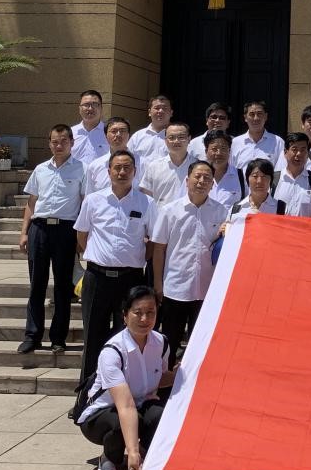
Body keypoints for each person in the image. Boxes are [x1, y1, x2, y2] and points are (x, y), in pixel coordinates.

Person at [77, 285, 174, 470]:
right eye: (138, 313)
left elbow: (160, 377)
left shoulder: (161, 343)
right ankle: (110, 457)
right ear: (125, 315)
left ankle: (149, 451)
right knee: (122, 423)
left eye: (150, 312)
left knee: (162, 415)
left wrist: (184, 374)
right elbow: (125, 405)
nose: (145, 319)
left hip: (139, 404)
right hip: (102, 413)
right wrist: (132, 451)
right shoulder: (112, 352)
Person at [75, 150, 154, 380]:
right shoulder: (93, 200)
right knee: (93, 336)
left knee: (126, 337)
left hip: (130, 279)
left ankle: (124, 389)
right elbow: (82, 235)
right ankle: (89, 391)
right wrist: (99, 256)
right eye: (117, 168)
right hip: (97, 278)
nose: (122, 172)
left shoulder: (146, 203)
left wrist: (133, 258)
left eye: (127, 168)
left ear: (135, 171)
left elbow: (153, 241)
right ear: (109, 171)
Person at [17, 124, 86, 355]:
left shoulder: (81, 169)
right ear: (49, 144)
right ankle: (32, 336)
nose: (59, 145)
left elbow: (85, 203)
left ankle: (58, 338)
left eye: (64, 141)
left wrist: (81, 237)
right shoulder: (40, 169)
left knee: (63, 287)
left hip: (66, 230)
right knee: (36, 284)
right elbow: (31, 203)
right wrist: (24, 232)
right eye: (55, 142)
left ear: (72, 143)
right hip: (39, 229)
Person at [150, 159, 226, 367]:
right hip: (176, 288)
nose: (201, 181)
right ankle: (165, 383)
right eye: (197, 176)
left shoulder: (221, 212)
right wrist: (158, 284)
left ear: (212, 184)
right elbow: (159, 249)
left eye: (207, 178)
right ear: (187, 180)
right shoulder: (170, 210)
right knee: (170, 343)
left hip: (207, 290)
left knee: (200, 345)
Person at [230, 157, 311, 222]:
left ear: (271, 180)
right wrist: (226, 229)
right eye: (255, 176)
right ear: (247, 179)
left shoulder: (282, 209)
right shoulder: (236, 209)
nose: (259, 181)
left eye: (264, 176)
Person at [275, 132, 311, 217]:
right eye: (294, 149)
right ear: (285, 152)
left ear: (308, 154)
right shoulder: (274, 179)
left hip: (305, 226)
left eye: (303, 150)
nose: (299, 154)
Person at [138, 120, 193, 204]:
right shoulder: (154, 166)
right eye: (171, 137)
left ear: (189, 139)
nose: (176, 141)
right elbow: (145, 196)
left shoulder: (198, 166)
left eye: (181, 137)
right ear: (165, 141)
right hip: (160, 212)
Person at [84, 118, 140, 193]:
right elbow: (89, 196)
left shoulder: (141, 163)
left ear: (128, 135)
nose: (118, 134)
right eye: (113, 131)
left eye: (122, 131)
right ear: (105, 135)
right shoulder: (95, 166)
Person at [231, 99, 285, 172]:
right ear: (245, 118)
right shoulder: (235, 142)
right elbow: (230, 170)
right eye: (252, 114)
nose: (256, 118)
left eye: (259, 114)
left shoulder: (277, 142)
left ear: (265, 116)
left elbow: (280, 171)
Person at [203, 130, 245, 208]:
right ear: (206, 151)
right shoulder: (196, 176)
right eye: (214, 149)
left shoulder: (241, 176)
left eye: (223, 148)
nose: (219, 153)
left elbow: (250, 203)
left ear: (229, 151)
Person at [128, 95, 173, 165]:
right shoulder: (137, 137)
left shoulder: (178, 138)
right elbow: (127, 160)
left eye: (165, 108)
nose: (160, 111)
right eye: (157, 108)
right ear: (149, 112)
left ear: (171, 113)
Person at [71, 90, 108, 165]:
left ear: (101, 108)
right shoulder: (70, 133)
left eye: (95, 104)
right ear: (80, 109)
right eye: (86, 104)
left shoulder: (109, 132)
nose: (90, 108)